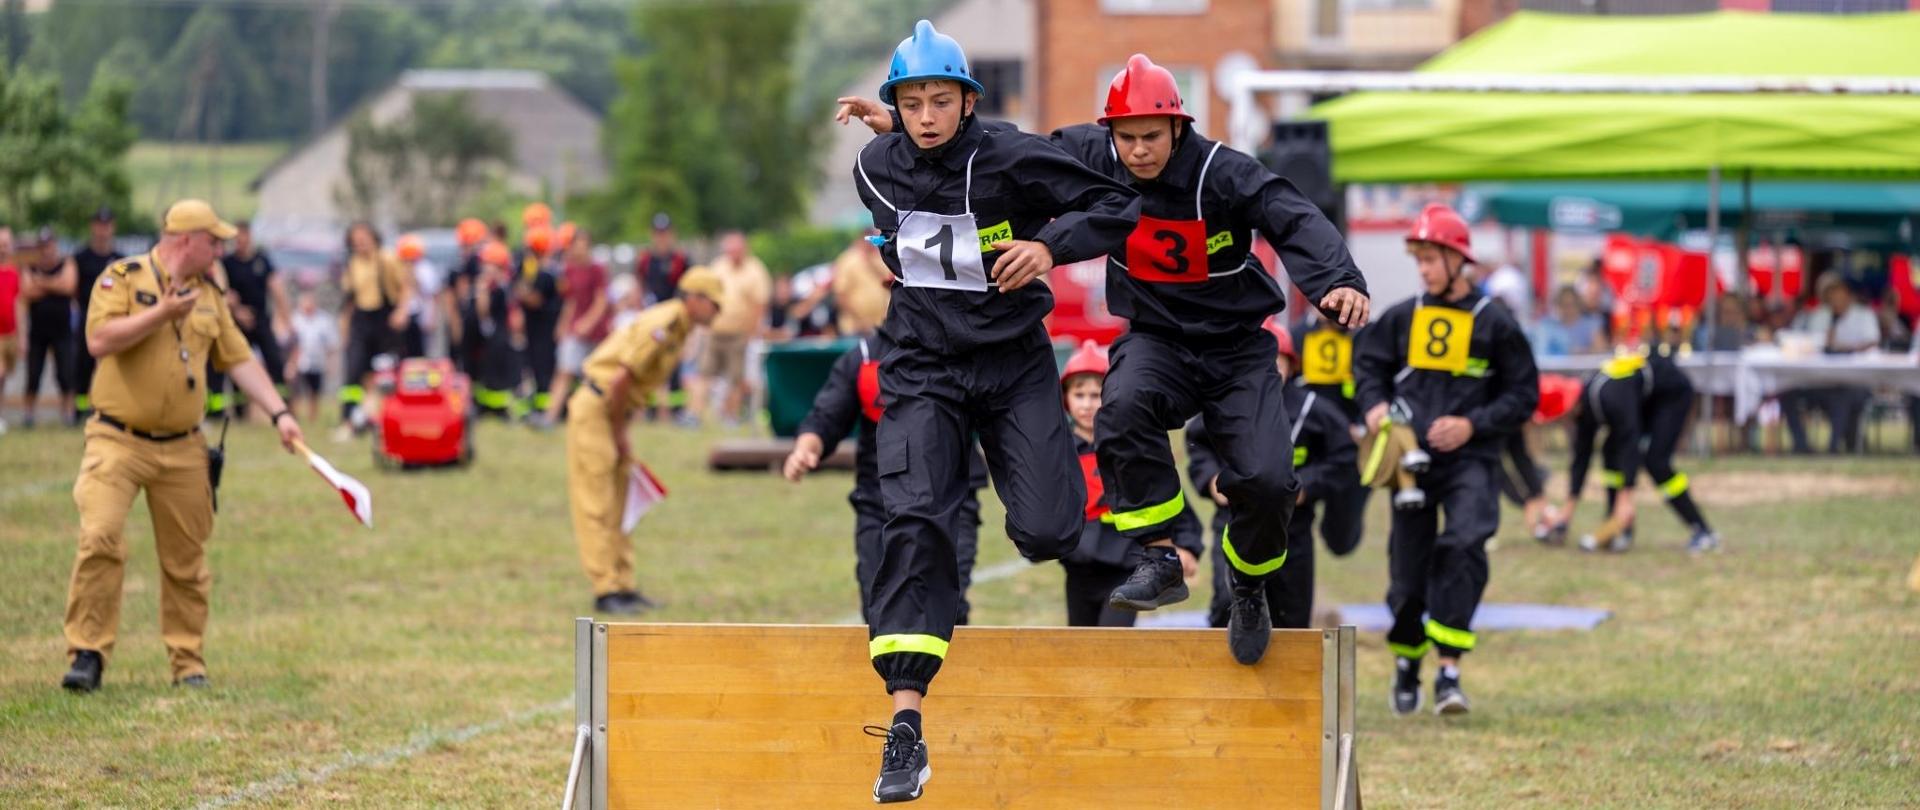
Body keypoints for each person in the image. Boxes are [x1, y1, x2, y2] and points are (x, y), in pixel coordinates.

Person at [838, 21, 1139, 803]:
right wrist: (895, 135)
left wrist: (1051, 247)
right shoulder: (873, 167)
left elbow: (1114, 203)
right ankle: (906, 727)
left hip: (1012, 365)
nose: (926, 116)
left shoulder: (1010, 156)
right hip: (921, 365)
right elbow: (910, 210)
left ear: (969, 103)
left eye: (941, 101)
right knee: (914, 520)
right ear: (894, 106)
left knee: (1046, 532)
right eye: (911, 104)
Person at [1038, 54, 1367, 668]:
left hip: (1236, 348)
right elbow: (1010, 156)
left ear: (1178, 127)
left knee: (1269, 482)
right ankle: (1160, 553)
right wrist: (914, 130)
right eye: (1127, 138)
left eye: (1151, 137)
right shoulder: (1093, 155)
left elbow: (1293, 216)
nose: (1139, 151)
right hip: (1157, 340)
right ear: (1110, 133)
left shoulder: (1225, 172)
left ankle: (1248, 585)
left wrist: (1338, 281)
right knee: (1121, 406)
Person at [60, 199, 305, 692]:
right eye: (213, 241)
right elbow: (99, 340)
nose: (220, 251)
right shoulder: (122, 278)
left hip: (183, 448)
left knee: (187, 560)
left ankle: (188, 661)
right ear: (186, 240)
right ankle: (88, 653)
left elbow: (239, 359)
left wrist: (280, 414)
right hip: (117, 439)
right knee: (100, 538)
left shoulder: (209, 294)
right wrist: (162, 314)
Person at [1353, 203, 1538, 717]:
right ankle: (1407, 661)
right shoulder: (1403, 316)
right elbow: (1368, 366)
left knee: (1463, 547)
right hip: (1410, 464)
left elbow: (1524, 394)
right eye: (1419, 260)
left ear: (1459, 260)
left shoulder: (1495, 322)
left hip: (1471, 461)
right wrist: (1373, 406)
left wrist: (1473, 424)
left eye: (1432, 259)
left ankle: (1449, 674)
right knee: (1407, 571)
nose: (1424, 269)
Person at [783, 328, 986, 626]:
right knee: (879, 609)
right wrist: (805, 448)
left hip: (950, 502)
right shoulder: (864, 357)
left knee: (945, 611)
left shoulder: (960, 350)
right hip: (880, 502)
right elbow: (826, 418)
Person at [565, 267, 724, 614]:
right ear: (694, 298)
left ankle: (623, 585)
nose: (718, 311)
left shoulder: (679, 327)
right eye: (714, 303)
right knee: (597, 502)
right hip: (598, 409)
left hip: (614, 412)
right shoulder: (666, 321)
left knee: (621, 501)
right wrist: (620, 432)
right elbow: (621, 379)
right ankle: (605, 589)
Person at [1188, 323, 1363, 630]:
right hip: (1232, 524)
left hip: (1292, 530)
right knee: (1227, 604)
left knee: (1291, 615)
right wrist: (1210, 479)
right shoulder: (1223, 407)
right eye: (1256, 361)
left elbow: (1344, 458)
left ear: (1292, 365)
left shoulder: (1314, 410)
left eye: (1275, 361)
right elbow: (1198, 446)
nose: (1266, 370)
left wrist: (1308, 485)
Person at [1057, 340, 1202, 627]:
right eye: (1079, 395)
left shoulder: (1128, 449)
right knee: (1080, 644)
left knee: (1112, 642)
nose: (1087, 404)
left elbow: (1164, 496)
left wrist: (1187, 546)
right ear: (1066, 399)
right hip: (1079, 570)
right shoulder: (1062, 452)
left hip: (1126, 567)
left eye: (1096, 394)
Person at [1556, 347, 1720, 555]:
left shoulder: (1608, 397)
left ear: (1569, 406)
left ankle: (1703, 531)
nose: (1560, 422)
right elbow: (1581, 458)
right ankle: (1617, 527)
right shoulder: (1585, 407)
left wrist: (1626, 497)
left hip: (1672, 395)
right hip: (1645, 399)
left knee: (1656, 463)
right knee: (1610, 452)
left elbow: (1630, 441)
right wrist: (1566, 513)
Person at [1781, 273, 1880, 454]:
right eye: (1831, 298)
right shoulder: (1820, 316)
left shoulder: (1864, 315)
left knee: (1842, 394)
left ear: (1849, 296)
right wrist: (1822, 342)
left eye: (1839, 297)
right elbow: (1810, 344)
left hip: (1853, 382)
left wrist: (1845, 347)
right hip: (1820, 381)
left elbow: (1873, 341)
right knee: (1787, 393)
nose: (1835, 301)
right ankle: (1801, 445)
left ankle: (1833, 447)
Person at [336, 222, 414, 438]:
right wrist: (344, 327)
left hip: (385, 320)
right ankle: (350, 420)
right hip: (361, 320)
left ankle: (387, 420)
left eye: (364, 237)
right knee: (354, 371)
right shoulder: (352, 264)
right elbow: (349, 299)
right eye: (355, 239)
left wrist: (401, 311)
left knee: (386, 373)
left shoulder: (387, 259)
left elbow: (405, 286)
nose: (360, 243)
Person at [693, 231, 771, 427]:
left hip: (739, 334)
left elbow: (760, 305)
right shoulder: (718, 266)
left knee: (735, 378)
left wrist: (753, 332)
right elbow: (706, 296)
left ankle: (730, 416)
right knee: (704, 373)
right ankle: (694, 414)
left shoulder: (755, 270)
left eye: (736, 250)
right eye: (730, 250)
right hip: (715, 331)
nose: (733, 254)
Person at [221, 220, 292, 415]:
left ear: (250, 237)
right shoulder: (227, 263)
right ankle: (240, 411)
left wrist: (286, 319)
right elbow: (223, 291)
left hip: (261, 320)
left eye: (243, 237)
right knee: (238, 362)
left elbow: (277, 289)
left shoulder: (262, 260)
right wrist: (238, 311)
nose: (241, 241)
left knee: (275, 361)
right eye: (237, 238)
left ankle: (283, 406)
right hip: (236, 322)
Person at [546, 228, 611, 425]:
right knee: (564, 371)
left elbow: (601, 301)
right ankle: (550, 417)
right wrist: (563, 324)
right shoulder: (569, 270)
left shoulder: (597, 269)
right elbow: (570, 301)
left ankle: (600, 417)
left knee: (596, 376)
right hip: (575, 331)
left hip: (597, 333)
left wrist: (588, 322)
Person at [633, 213, 691, 421]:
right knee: (650, 361)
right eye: (658, 233)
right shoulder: (646, 260)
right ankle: (651, 408)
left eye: (665, 233)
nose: (662, 237)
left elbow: (688, 290)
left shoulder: (680, 259)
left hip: (675, 319)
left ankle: (675, 410)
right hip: (652, 319)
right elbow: (639, 285)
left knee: (673, 364)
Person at [20, 227, 79, 427]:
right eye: (43, 246)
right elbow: (27, 291)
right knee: (33, 375)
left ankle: (68, 414)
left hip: (63, 332)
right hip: (37, 332)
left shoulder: (67, 263)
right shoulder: (30, 267)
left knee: (66, 375)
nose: (46, 250)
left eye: (49, 245)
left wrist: (41, 282)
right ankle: (29, 416)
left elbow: (68, 286)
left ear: (55, 245)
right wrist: (55, 283)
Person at [71, 207, 125, 421]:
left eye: (107, 225)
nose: (103, 230)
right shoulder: (81, 257)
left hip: (113, 319)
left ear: (113, 227)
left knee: (112, 365)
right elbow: (73, 288)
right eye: (99, 225)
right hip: (87, 317)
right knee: (83, 365)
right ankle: (81, 410)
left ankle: (110, 409)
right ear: (93, 227)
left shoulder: (120, 260)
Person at [514, 225, 563, 424]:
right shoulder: (537, 271)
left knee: (543, 370)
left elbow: (534, 299)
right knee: (535, 368)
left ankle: (545, 411)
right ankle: (539, 407)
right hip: (536, 329)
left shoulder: (546, 274)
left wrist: (519, 291)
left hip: (544, 330)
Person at [473, 241, 521, 419]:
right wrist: (483, 288)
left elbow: (514, 311)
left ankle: (501, 409)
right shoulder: (486, 286)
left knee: (503, 372)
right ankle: (486, 406)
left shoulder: (506, 286)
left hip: (503, 334)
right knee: (487, 371)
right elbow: (482, 311)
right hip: (488, 336)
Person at [286, 291, 338, 425]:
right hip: (299, 362)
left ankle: (312, 418)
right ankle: (293, 417)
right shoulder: (294, 320)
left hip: (317, 363)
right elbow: (289, 344)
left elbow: (331, 345)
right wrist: (290, 363)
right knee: (295, 392)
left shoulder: (324, 320)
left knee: (314, 392)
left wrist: (331, 364)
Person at [447, 219, 490, 377]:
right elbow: (453, 297)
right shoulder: (459, 266)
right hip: (465, 317)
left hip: (477, 319)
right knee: (462, 359)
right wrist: (455, 323)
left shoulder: (482, 263)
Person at [831, 231, 894, 336]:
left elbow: (889, 283)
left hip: (882, 325)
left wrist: (871, 264)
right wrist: (861, 321)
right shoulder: (847, 261)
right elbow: (840, 296)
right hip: (855, 327)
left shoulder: (880, 258)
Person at [396, 233, 440, 359]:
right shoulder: (398, 267)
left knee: (420, 353)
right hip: (406, 316)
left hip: (422, 316)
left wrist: (431, 317)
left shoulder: (425, 268)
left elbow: (432, 294)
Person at [1534, 286, 1605, 356]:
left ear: (1578, 304)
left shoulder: (1591, 324)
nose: (1568, 309)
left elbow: (1601, 349)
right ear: (1558, 306)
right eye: (1564, 304)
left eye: (1571, 304)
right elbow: (1542, 353)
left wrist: (1583, 352)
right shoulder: (1549, 327)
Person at [0, 228, 19, 434]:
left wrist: (21, 337)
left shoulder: (14, 273)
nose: (2, 248)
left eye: (6, 244)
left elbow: (18, 305)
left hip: (10, 333)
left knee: (4, 378)